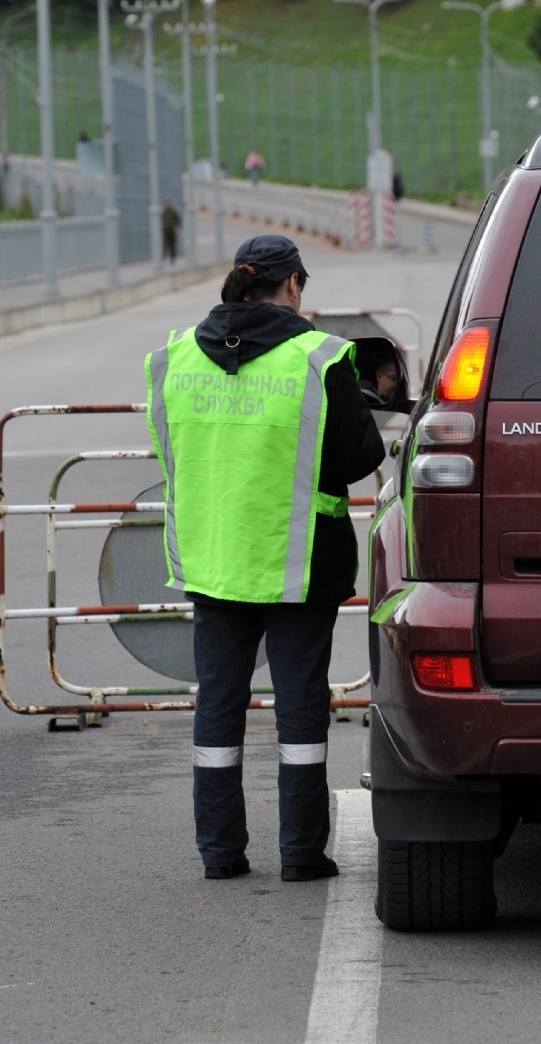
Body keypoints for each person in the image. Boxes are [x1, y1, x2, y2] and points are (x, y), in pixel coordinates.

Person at [144, 234, 385, 881]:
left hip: (214, 560)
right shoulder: (319, 358)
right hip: (299, 564)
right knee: (300, 710)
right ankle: (302, 852)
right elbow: (362, 458)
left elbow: (172, 454)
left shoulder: (174, 358)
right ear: (294, 285)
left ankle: (220, 852)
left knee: (217, 707)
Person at [161, 199, 181, 263]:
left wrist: (177, 226)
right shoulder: (164, 212)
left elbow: (178, 219)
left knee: (173, 245)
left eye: (170, 203)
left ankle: (172, 259)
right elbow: (161, 220)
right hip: (166, 230)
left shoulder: (174, 212)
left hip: (172, 230)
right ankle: (163, 257)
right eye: (168, 203)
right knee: (165, 244)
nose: (169, 205)